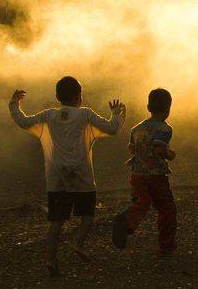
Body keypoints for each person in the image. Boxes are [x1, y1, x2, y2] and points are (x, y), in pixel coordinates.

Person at [8, 77, 125, 277]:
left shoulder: (49, 115)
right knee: (87, 215)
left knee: (57, 221)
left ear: (57, 97)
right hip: (81, 174)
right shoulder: (85, 114)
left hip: (57, 176)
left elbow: (23, 121)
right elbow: (111, 128)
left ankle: (51, 260)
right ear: (79, 97)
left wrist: (14, 104)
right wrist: (115, 113)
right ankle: (78, 243)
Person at [113, 88, 177, 256]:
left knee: (142, 202)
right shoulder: (165, 129)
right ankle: (166, 246)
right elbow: (159, 150)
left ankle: (127, 222)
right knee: (166, 208)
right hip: (155, 175)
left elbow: (132, 149)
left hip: (137, 174)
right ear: (168, 109)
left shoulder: (136, 129)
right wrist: (170, 154)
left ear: (148, 107)